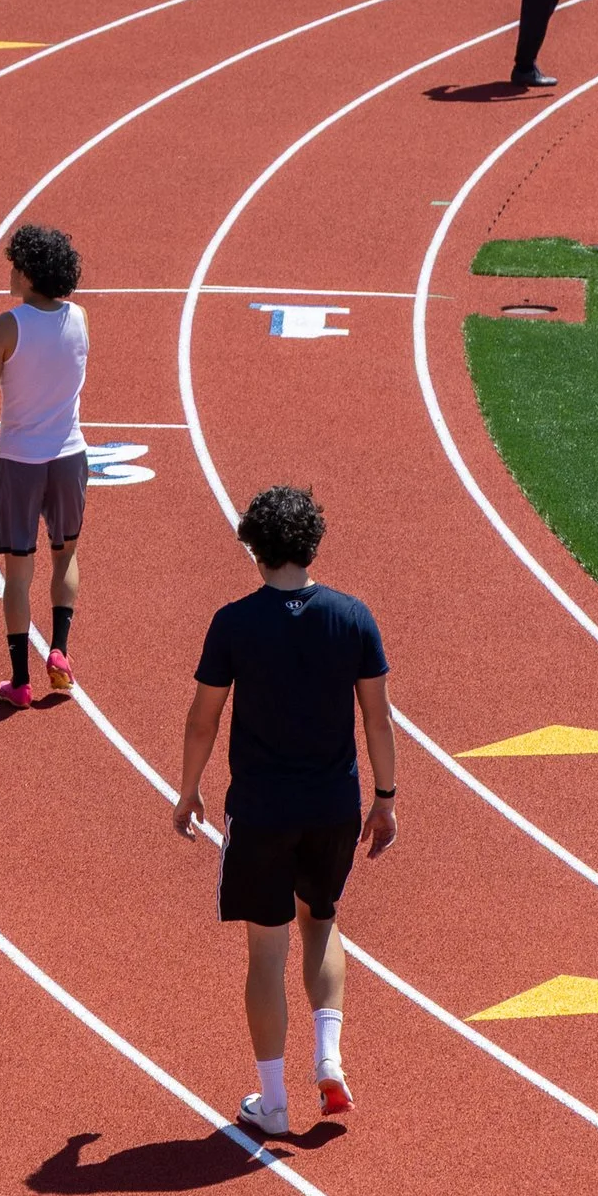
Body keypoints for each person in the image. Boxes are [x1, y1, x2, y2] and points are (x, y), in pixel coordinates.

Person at [172, 486, 397, 1139]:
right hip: (333, 806)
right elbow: (376, 716)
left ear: (255, 548)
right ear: (313, 543)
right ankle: (328, 1055)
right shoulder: (354, 617)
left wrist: (188, 788)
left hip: (263, 809)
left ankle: (273, 1100)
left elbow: (203, 717)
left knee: (266, 950)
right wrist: (385, 796)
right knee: (321, 923)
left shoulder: (235, 622)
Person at [0, 223, 89, 709]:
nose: (10, 272)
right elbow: (42, 366)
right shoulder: (80, 317)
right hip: (69, 456)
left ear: (30, 272)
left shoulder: (2, 325)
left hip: (19, 461)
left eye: (15, 265)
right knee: (65, 555)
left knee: (18, 574)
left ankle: (19, 681)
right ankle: (59, 650)